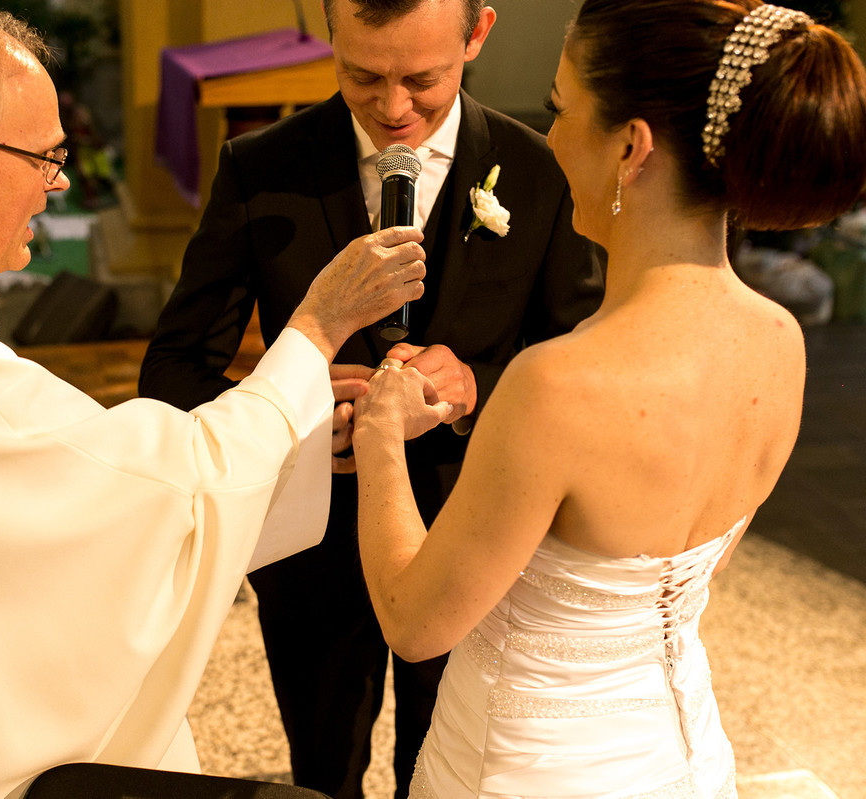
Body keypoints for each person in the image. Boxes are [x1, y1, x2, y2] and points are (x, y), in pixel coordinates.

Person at [0, 3, 432, 796]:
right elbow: (175, 496)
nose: (58, 181)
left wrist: (298, 410)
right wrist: (315, 327)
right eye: (45, 156)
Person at [352, 1, 866, 796]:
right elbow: (689, 571)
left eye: (562, 109)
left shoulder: (559, 384)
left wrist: (382, 430)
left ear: (631, 148)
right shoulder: (781, 342)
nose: (549, 136)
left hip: (531, 765)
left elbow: (414, 623)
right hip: (677, 750)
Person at [137, 1, 603, 795]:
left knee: (449, 768)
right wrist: (288, 411)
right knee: (322, 772)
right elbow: (174, 371)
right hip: (315, 543)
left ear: (477, 34)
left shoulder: (540, 169)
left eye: (423, 79)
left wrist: (478, 386)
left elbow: (585, 365)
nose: (393, 110)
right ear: (330, 32)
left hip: (475, 533)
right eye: (362, 75)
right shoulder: (261, 168)